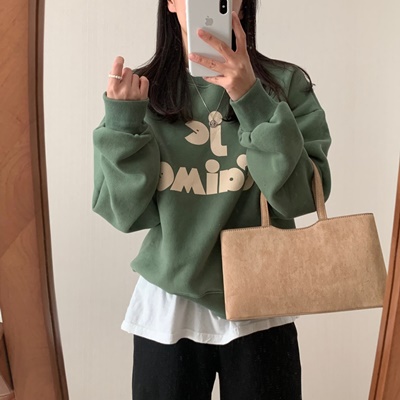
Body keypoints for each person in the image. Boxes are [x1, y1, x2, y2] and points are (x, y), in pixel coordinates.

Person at [92, 0, 331, 398]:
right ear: (171, 3)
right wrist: (122, 124)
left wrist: (251, 97)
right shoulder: (142, 92)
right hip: (168, 306)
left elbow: (302, 198)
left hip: (263, 303)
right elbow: (123, 214)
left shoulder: (284, 85)